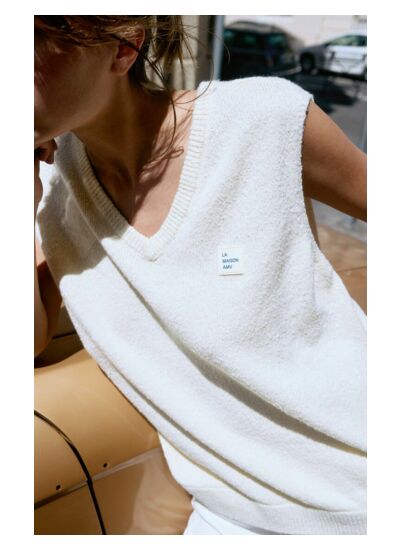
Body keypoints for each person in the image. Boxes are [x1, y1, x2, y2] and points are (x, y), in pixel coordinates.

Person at [34, 16, 367, 535]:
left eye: (31, 39)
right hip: (226, 516)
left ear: (123, 49)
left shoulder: (262, 119)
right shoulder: (51, 190)